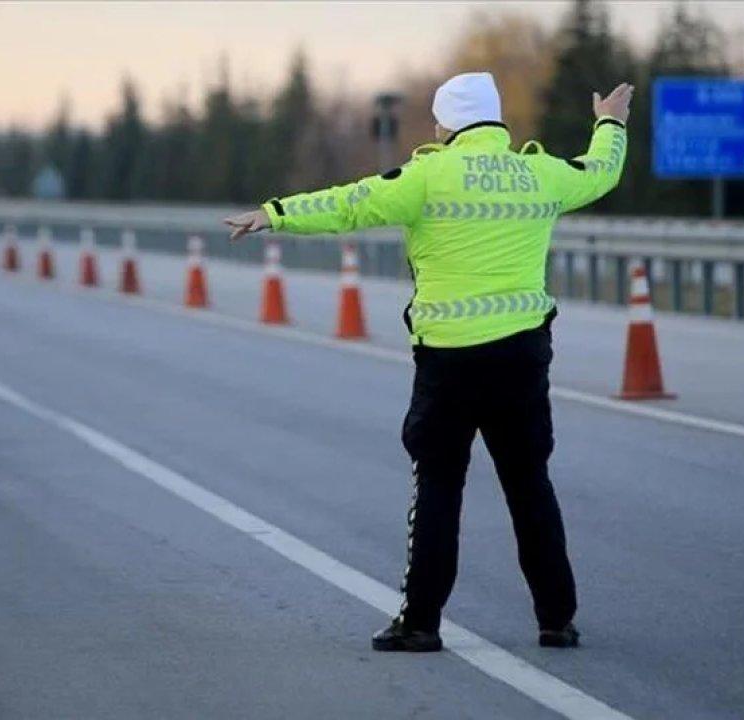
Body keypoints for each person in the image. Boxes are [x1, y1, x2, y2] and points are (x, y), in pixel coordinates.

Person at [224, 71, 632, 652]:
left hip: (449, 362)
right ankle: (556, 619)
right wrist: (610, 122)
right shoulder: (538, 172)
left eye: (438, 119)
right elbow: (601, 172)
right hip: (521, 356)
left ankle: (420, 623)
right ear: (493, 119)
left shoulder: (426, 175)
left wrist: (276, 213)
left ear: (447, 124)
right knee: (528, 484)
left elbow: (351, 203)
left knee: (439, 486)